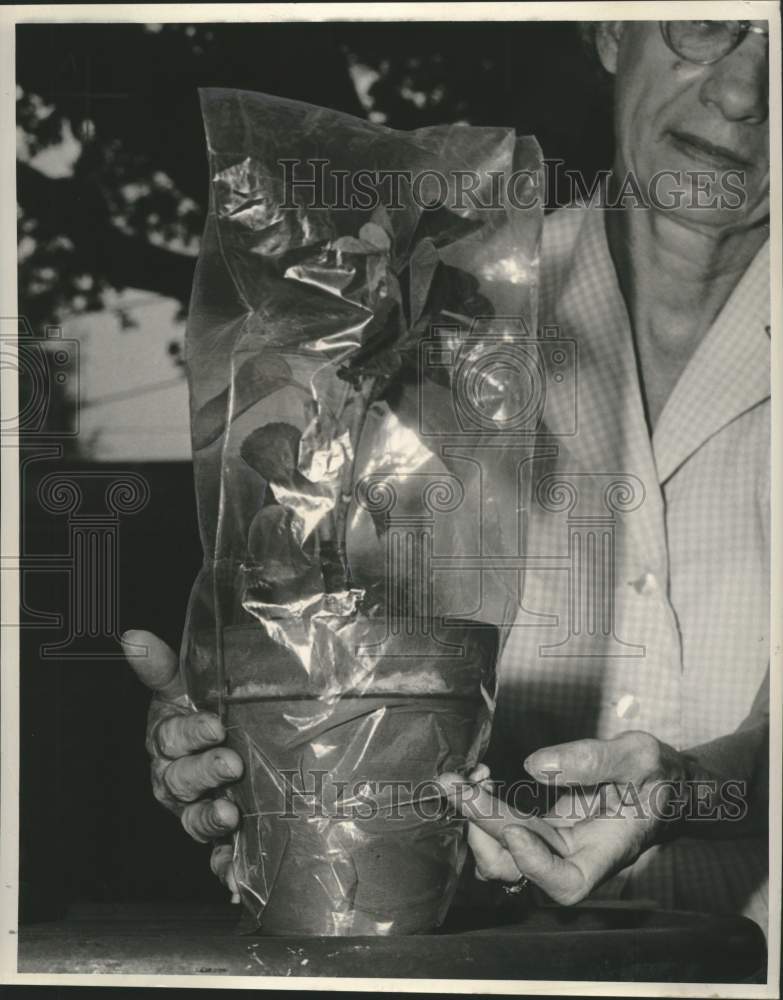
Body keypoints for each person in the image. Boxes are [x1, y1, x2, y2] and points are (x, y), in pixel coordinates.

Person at [125, 19, 771, 932]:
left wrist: (704, 789)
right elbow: (346, 674)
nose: (742, 94)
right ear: (609, 25)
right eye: (708, 23)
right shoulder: (443, 315)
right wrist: (250, 725)